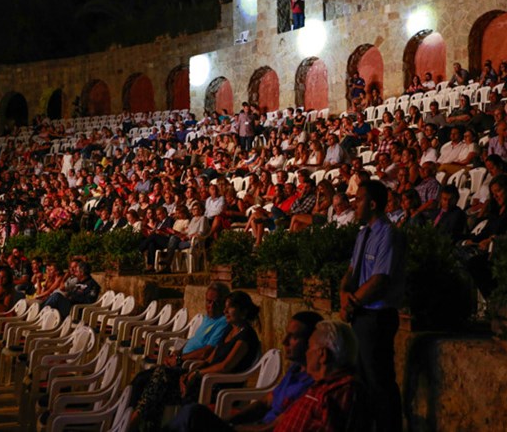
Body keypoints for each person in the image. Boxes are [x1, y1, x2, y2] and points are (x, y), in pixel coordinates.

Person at [166, 311, 324, 431]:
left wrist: (235, 428)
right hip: (252, 424)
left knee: (193, 414)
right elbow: (266, 402)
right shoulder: (295, 370)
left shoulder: (314, 386)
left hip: (256, 424)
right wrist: (230, 420)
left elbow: (274, 427)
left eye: (293, 337)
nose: (284, 342)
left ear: (313, 343)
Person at [130, 290, 260, 432]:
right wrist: (189, 373)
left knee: (159, 384)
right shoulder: (230, 330)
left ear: (243, 311)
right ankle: (142, 424)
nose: (225, 310)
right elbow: (210, 359)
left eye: (230, 307)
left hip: (215, 386)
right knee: (154, 381)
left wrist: (196, 373)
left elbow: (225, 366)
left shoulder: (246, 337)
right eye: (225, 307)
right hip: (202, 378)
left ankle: (135, 422)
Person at [339, 181, 404, 432]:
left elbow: (380, 279)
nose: (354, 205)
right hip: (361, 314)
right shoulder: (363, 233)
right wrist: (344, 294)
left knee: (380, 383)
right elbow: (352, 271)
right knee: (363, 381)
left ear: (373, 203)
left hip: (377, 317)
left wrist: (351, 303)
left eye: (358, 200)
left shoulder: (388, 234)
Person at [272, 320, 367, 431]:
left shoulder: (340, 392)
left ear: (322, 355)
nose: (306, 353)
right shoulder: (322, 385)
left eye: (309, 347)